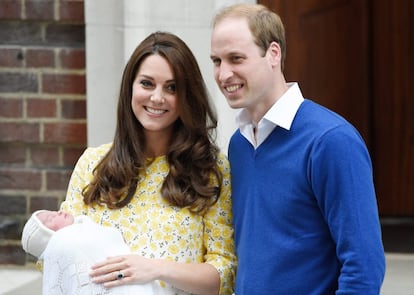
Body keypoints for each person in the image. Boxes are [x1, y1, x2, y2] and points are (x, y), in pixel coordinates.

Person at [210, 3, 385, 294]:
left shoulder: (331, 140)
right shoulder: (239, 145)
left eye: (236, 58)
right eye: (217, 60)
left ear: (273, 54)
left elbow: (364, 267)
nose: (223, 74)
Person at [59, 31, 236, 295]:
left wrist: (156, 268)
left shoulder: (210, 169)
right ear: (130, 87)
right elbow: (60, 254)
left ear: (187, 96)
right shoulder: (92, 164)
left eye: (172, 87)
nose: (157, 97)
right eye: (147, 83)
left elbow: (224, 273)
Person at [21, 210, 158, 294]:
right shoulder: (64, 244)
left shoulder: (88, 228)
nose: (58, 212)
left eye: (53, 212)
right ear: (47, 237)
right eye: (50, 219)